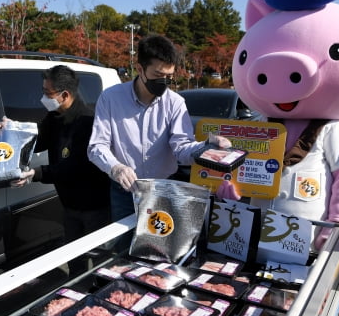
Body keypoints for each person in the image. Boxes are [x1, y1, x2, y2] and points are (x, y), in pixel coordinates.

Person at [88, 34, 230, 226]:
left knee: (159, 247)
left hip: (163, 188)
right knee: (122, 246)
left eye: (169, 77)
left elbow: (182, 148)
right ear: (140, 69)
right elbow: (97, 147)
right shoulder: (111, 99)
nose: (163, 81)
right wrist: (116, 167)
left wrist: (206, 147)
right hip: (125, 190)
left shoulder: (175, 103)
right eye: (158, 75)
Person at [17, 65, 111, 275]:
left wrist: (37, 173)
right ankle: (75, 294)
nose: (43, 97)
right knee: (73, 257)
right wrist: (12, 132)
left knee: (98, 260)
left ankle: (99, 298)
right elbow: (38, 141)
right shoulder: (54, 116)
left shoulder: (86, 121)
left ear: (64, 94)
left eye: (47, 93)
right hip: (69, 204)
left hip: (93, 206)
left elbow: (74, 168)